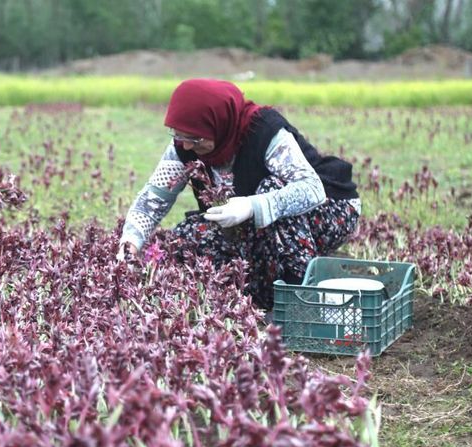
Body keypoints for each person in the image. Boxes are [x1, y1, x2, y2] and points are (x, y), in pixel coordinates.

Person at [117, 79, 360, 310]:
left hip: (331, 209)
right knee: (185, 237)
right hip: (260, 222)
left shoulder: (264, 132)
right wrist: (130, 243)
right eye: (179, 136)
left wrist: (251, 206)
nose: (187, 145)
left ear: (219, 123)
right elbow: (153, 199)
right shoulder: (186, 143)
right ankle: (256, 296)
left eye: (195, 138)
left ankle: (299, 298)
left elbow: (310, 189)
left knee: (273, 188)